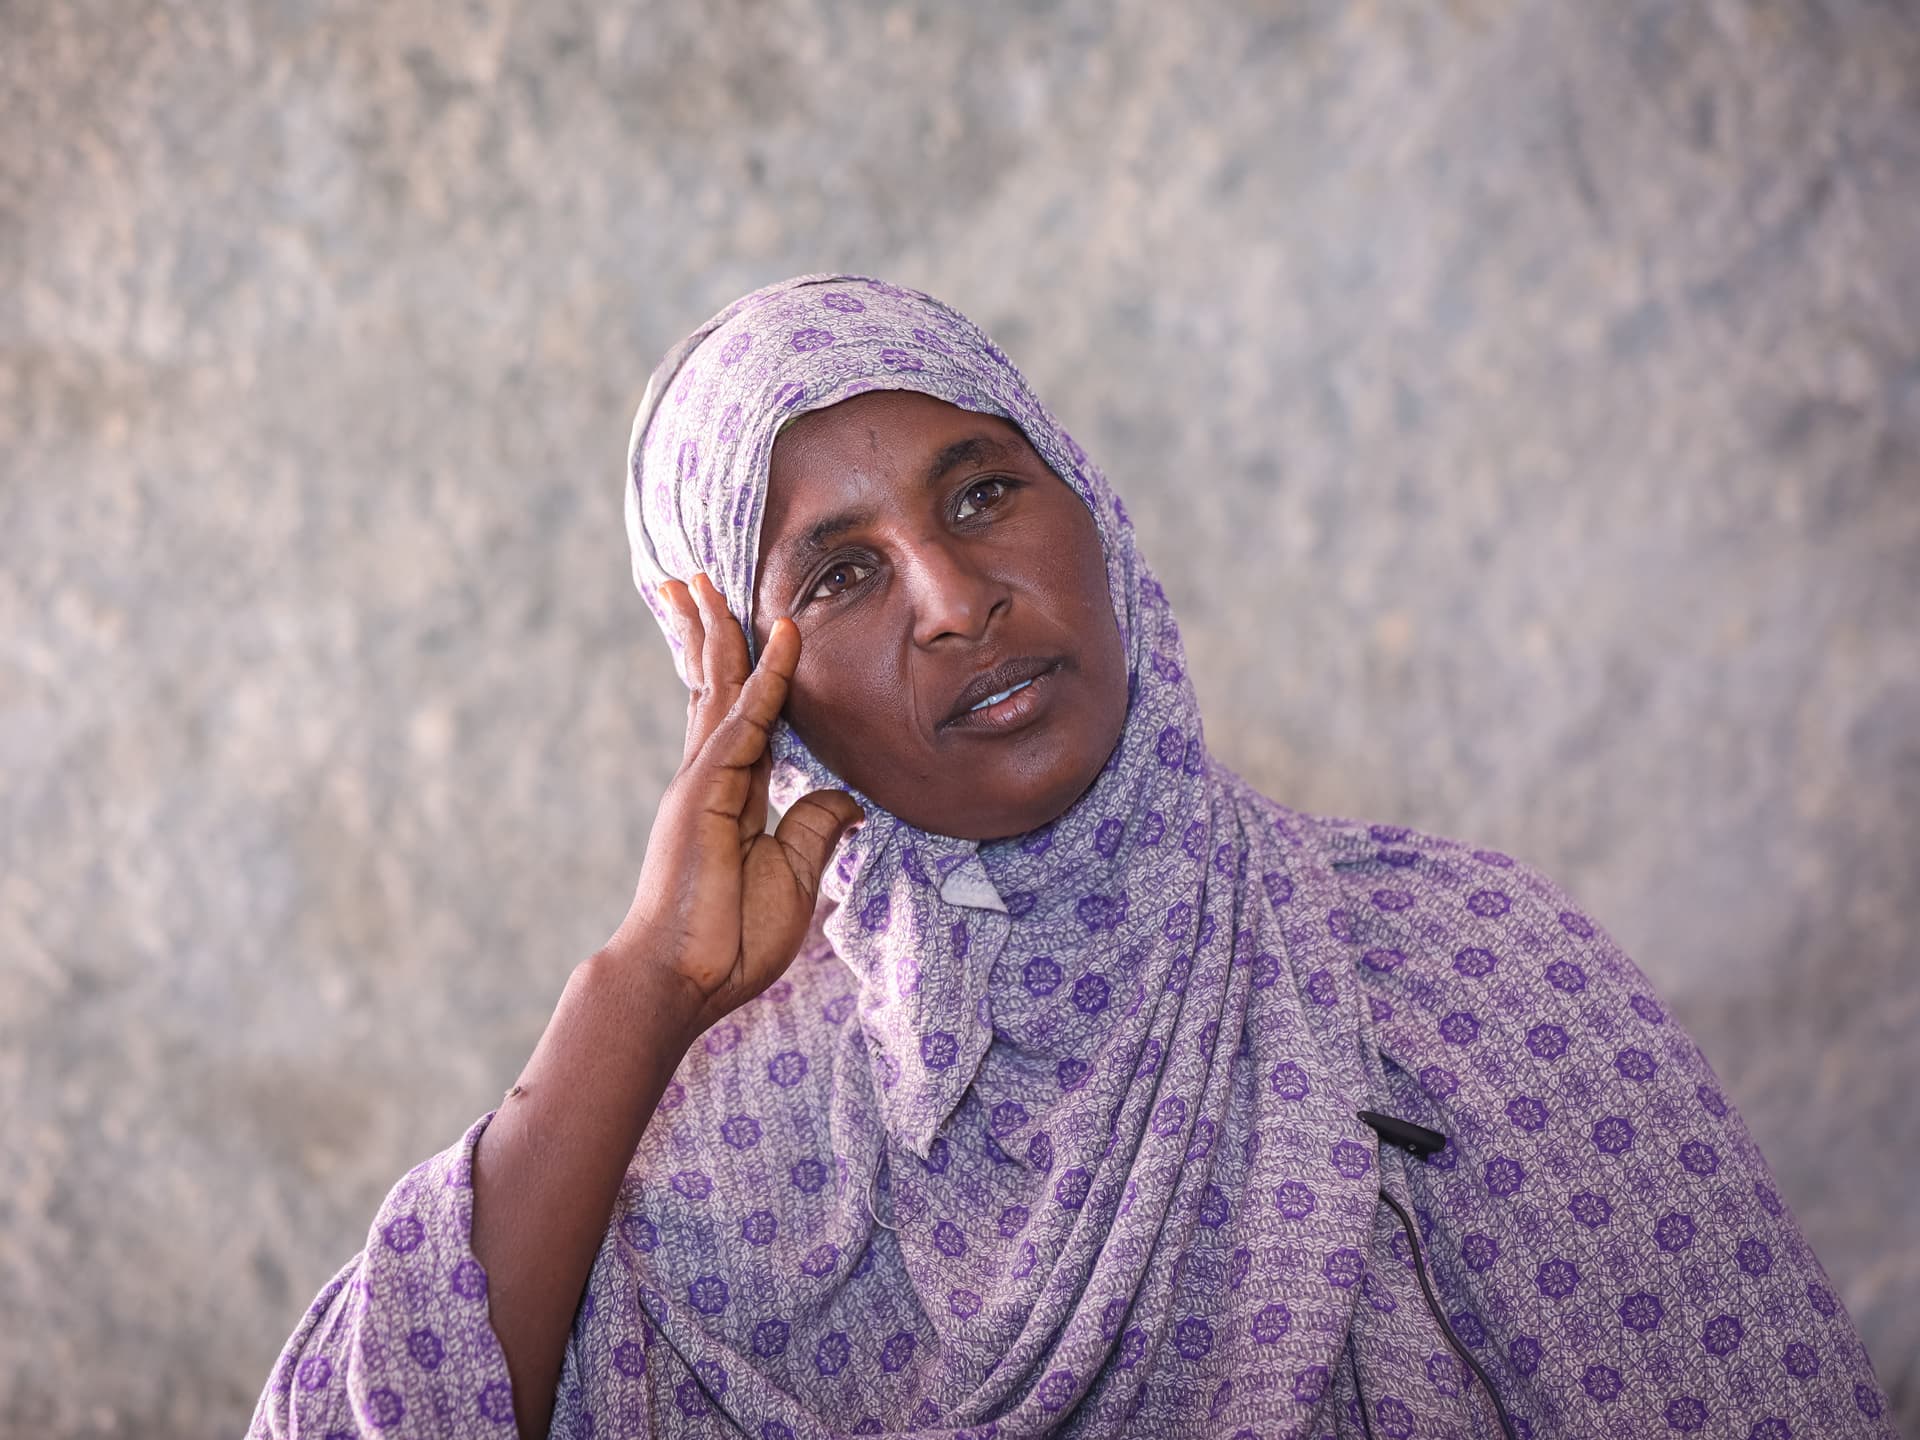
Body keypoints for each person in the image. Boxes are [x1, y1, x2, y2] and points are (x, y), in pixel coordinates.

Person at [249, 274, 1896, 1440]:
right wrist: (640, 994)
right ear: (759, 694)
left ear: (1089, 512)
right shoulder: (713, 1158)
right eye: (835, 577)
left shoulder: (1449, 973)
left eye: (981, 494)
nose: (954, 597)